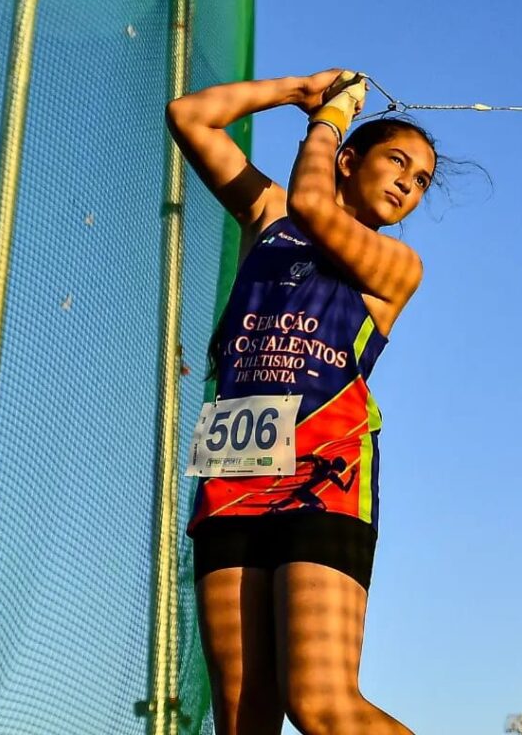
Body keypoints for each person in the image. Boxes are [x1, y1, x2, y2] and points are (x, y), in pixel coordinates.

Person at [166, 69, 437, 735]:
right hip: (233, 469)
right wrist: (298, 91)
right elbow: (189, 115)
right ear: (350, 162)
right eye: (397, 161)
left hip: (326, 471)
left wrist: (331, 117)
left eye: (422, 179)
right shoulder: (271, 219)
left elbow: (317, 205)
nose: (409, 181)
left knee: (318, 705)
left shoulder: (395, 264)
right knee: (240, 718)